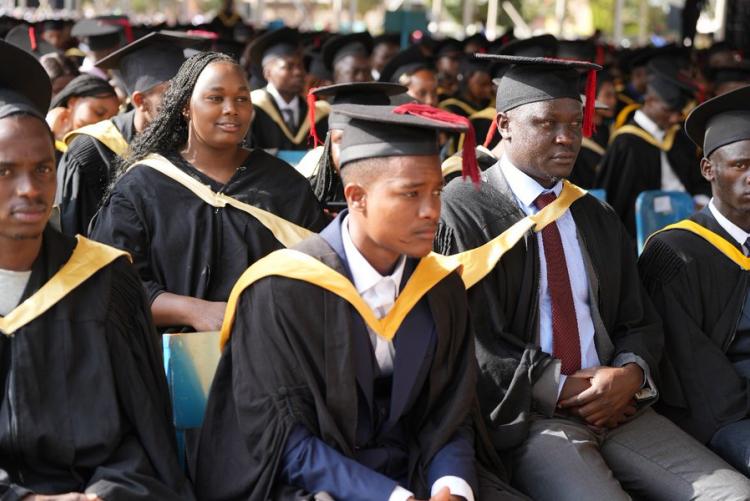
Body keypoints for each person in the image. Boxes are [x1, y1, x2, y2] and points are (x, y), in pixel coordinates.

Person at [437, 53, 750, 501]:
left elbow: (638, 318)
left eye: (575, 123)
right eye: (547, 123)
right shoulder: (464, 210)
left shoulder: (593, 215)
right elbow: (469, 338)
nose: (567, 138)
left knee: (733, 495)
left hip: (620, 411)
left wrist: (629, 373)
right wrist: (563, 387)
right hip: (530, 416)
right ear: (504, 124)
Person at [191, 102, 525, 500]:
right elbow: (280, 437)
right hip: (313, 481)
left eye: (436, 191)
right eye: (411, 194)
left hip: (419, 470)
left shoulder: (439, 286)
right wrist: (388, 497)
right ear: (357, 197)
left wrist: (449, 486)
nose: (431, 211)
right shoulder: (281, 291)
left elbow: (450, 414)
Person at [0, 39, 193, 501]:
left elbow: (143, 432)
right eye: (5, 171)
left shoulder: (102, 281)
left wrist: (104, 493)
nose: (30, 189)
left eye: (44, 169)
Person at [90, 51, 327, 334]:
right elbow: (110, 283)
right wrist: (192, 310)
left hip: (268, 352)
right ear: (186, 106)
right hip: (167, 365)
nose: (232, 109)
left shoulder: (282, 183)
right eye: (215, 98)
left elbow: (319, 273)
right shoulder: (144, 186)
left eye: (242, 98)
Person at [638, 85, 750, 476]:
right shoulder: (675, 252)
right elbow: (691, 369)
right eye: (740, 165)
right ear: (708, 169)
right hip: (723, 414)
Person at [55, 31, 206, 236]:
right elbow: (74, 234)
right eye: (171, 95)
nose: (183, 104)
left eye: (189, 92)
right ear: (139, 101)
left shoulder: (195, 144)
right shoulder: (90, 151)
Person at [597, 62, 710, 235]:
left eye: (677, 113)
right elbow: (616, 202)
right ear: (649, 100)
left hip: (690, 225)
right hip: (643, 234)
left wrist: (700, 201)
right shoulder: (626, 143)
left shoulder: (678, 137)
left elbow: (698, 181)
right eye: (668, 111)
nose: (673, 119)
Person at [301, 82, 407, 210]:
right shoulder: (307, 197)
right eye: (341, 140)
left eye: (367, 141)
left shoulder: (409, 193)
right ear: (329, 146)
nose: (353, 151)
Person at [245, 27, 329, 151]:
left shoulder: (318, 114)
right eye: (289, 67)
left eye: (300, 66)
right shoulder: (252, 109)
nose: (298, 72)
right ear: (268, 73)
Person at [46, 74, 119, 143]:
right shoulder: (47, 136)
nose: (105, 124)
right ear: (72, 102)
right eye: (99, 113)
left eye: (111, 120)